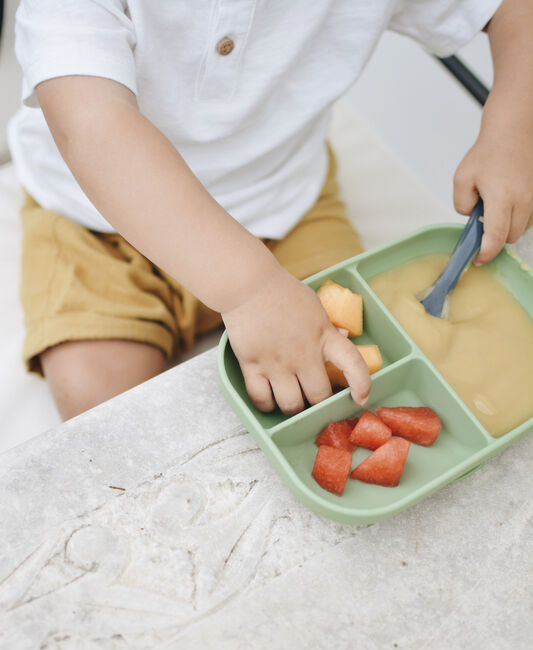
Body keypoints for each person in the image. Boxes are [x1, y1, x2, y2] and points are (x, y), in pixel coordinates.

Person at [7, 0, 533, 421]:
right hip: (95, 219)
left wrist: (513, 128)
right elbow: (93, 128)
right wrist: (251, 290)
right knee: (103, 411)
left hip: (285, 203)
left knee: (355, 376)